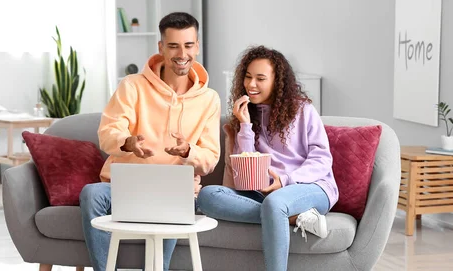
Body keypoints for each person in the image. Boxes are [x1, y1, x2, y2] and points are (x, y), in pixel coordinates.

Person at [77, 12, 220, 271]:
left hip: (176, 191)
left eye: (188, 45)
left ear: (197, 46)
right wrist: (128, 142)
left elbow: (210, 159)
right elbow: (108, 131)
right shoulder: (132, 86)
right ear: (161, 47)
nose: (182, 53)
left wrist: (189, 150)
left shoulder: (209, 99)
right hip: (122, 186)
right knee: (91, 194)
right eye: (174, 45)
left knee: (179, 204)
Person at [196, 45, 338, 271]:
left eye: (260, 78)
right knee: (207, 196)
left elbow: (321, 160)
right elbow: (246, 164)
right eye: (248, 77)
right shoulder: (248, 113)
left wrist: (285, 180)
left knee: (276, 202)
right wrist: (244, 125)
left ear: (277, 81)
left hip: (311, 186)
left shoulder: (303, 110)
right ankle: (293, 218)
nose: (251, 84)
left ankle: (281, 214)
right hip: (264, 194)